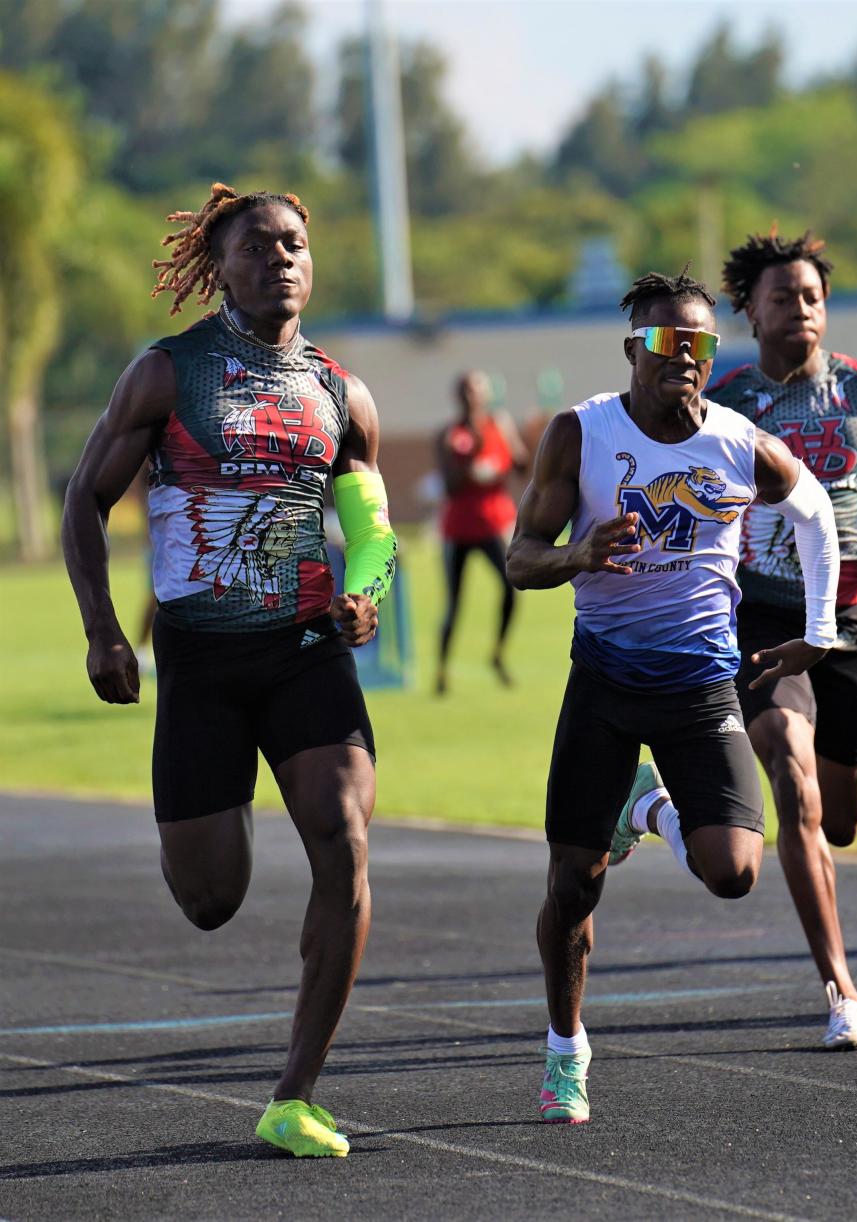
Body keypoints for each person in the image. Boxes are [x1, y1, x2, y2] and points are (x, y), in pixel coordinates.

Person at [61, 183, 397, 1158]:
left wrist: (365, 591)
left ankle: (296, 1092)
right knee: (212, 899)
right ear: (221, 265)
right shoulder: (170, 374)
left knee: (343, 838)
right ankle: (213, 813)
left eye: (294, 243)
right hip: (203, 664)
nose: (281, 257)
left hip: (305, 654)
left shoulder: (341, 392)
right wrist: (102, 631)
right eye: (258, 245)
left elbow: (371, 532)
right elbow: (86, 498)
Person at [507, 266, 841, 1125]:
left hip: (700, 689)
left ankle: (648, 811)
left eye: (695, 342)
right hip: (606, 687)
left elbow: (813, 512)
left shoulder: (736, 441)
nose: (680, 356)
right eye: (663, 340)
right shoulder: (580, 434)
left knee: (734, 873)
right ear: (633, 350)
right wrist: (578, 557)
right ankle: (565, 1053)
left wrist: (819, 627)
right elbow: (520, 558)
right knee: (571, 890)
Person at [703, 228, 857, 1047]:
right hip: (759, 619)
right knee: (795, 786)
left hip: (847, 621)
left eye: (813, 297)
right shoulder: (724, 404)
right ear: (750, 312)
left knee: (844, 820)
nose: (802, 310)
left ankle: (654, 800)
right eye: (784, 297)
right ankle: (842, 990)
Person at [436, 370, 527, 694]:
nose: (471, 398)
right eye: (465, 392)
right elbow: (449, 486)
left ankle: (498, 654)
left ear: (486, 395)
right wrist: (470, 457)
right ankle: (442, 671)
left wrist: (525, 439)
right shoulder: (450, 434)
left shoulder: (499, 425)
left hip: (493, 524)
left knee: (510, 586)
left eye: (476, 391)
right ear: (458, 397)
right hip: (458, 527)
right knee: (454, 602)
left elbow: (521, 466)